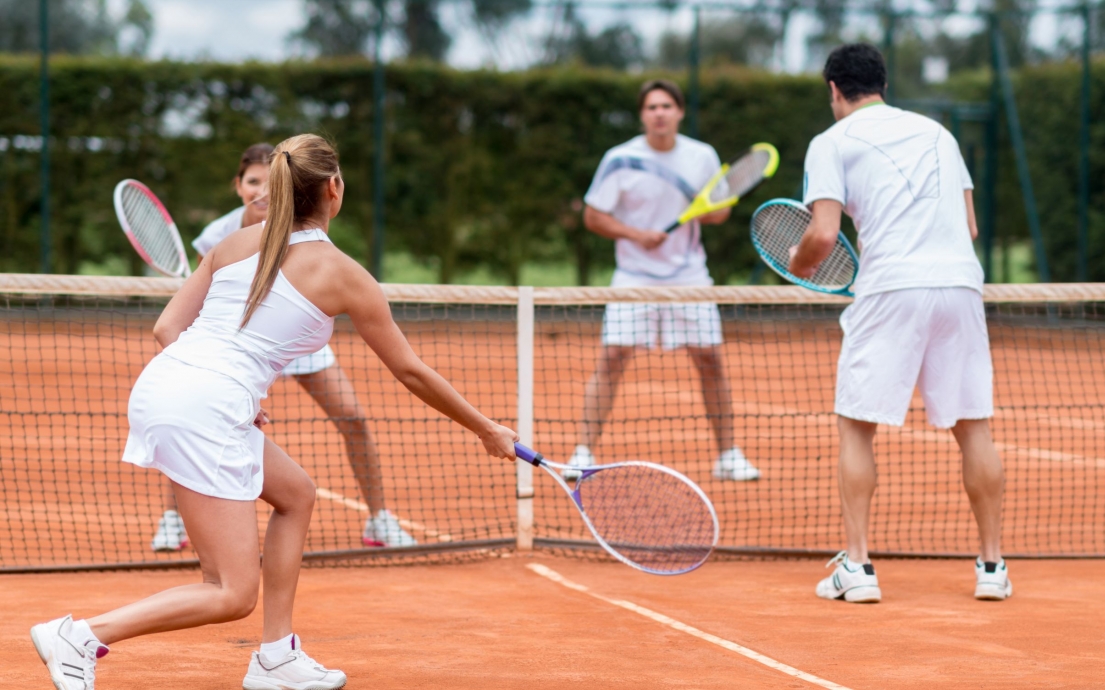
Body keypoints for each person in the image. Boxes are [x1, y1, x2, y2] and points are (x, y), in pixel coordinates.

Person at [31, 134, 519, 689]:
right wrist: (486, 428)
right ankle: (82, 635)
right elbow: (409, 371)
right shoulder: (344, 274)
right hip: (203, 406)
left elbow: (167, 329)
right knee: (230, 592)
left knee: (296, 494)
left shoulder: (235, 243)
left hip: (174, 388)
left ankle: (276, 657)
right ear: (334, 188)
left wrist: (230, 393)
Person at [789, 44, 1009, 603]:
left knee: (857, 426)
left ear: (834, 90)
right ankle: (992, 567)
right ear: (882, 84)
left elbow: (820, 235)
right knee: (974, 425)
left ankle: (858, 566)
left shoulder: (829, 142)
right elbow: (970, 225)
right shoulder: (939, 134)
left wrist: (796, 263)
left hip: (890, 289)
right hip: (960, 285)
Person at [151, 142, 417, 553]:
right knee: (198, 422)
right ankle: (173, 519)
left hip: (298, 332)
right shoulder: (220, 237)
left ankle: (380, 517)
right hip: (237, 346)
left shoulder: (315, 245)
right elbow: (198, 308)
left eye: (268, 181)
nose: (261, 191)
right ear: (238, 186)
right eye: (252, 182)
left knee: (353, 417)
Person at [567, 78, 760, 482]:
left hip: (689, 275)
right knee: (612, 359)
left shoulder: (702, 156)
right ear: (642, 115)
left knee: (710, 360)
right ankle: (582, 454)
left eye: (667, 106)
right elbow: (593, 216)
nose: (660, 113)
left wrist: (705, 211)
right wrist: (638, 235)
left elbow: (720, 212)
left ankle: (728, 456)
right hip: (633, 277)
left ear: (679, 112)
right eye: (652, 107)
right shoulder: (619, 159)